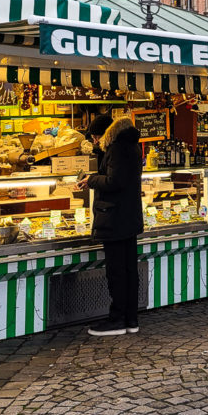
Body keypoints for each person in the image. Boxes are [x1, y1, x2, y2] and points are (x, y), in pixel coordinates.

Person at [76, 115, 144, 336]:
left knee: (116, 272)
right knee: (129, 271)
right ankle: (131, 319)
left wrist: (91, 180)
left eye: (97, 136)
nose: (95, 141)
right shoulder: (132, 146)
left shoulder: (116, 149)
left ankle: (117, 320)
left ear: (108, 133)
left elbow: (115, 181)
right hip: (129, 218)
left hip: (114, 218)